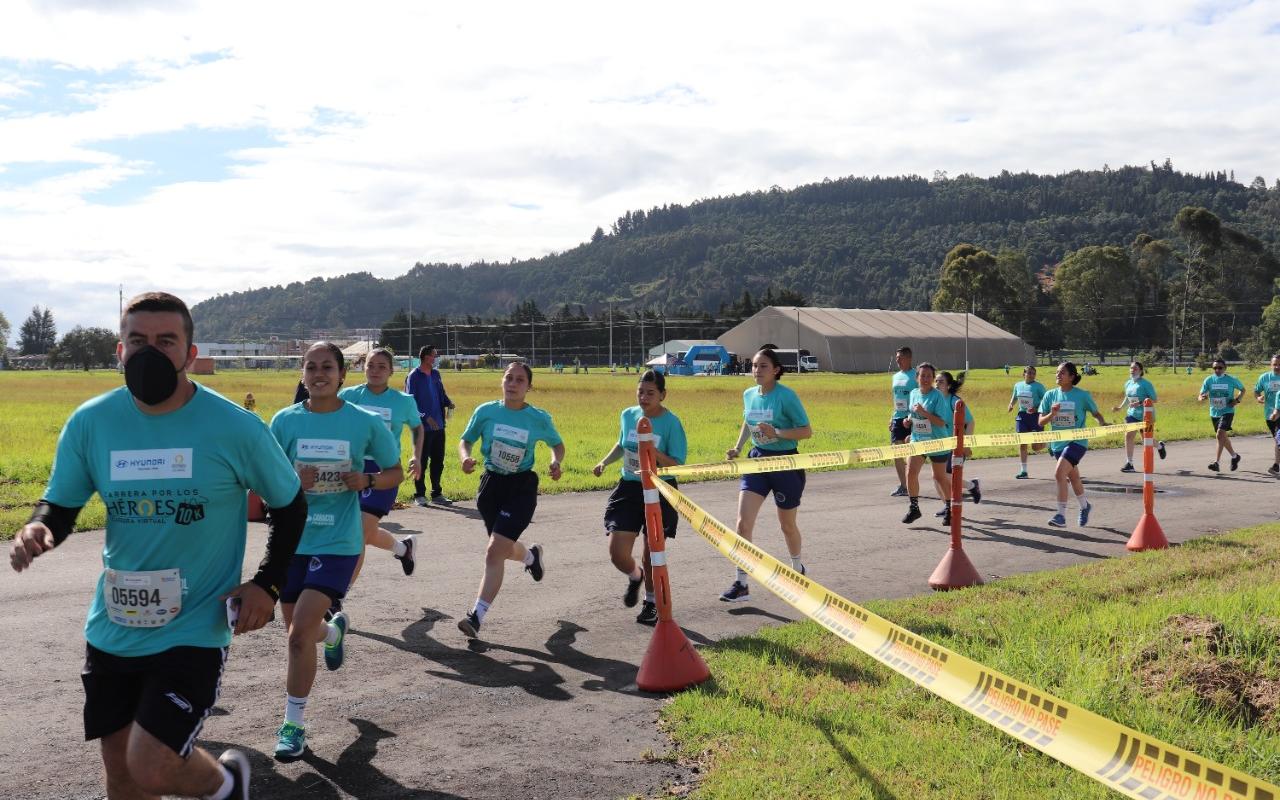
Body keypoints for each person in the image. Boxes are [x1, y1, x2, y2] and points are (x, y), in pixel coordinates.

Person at [8, 291, 307, 800]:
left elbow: (291, 505)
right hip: (114, 625)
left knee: (150, 762)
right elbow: (61, 503)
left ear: (190, 354)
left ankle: (226, 783)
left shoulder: (235, 427)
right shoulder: (92, 421)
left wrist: (268, 583)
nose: (151, 351)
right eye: (138, 340)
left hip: (193, 626)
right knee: (121, 772)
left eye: (166, 341)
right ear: (119, 350)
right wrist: (40, 529)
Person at [268, 342, 402, 761]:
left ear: (342, 375)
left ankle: (293, 724)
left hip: (338, 540)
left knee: (295, 636)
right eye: (311, 367)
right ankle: (334, 632)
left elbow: (394, 470)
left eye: (328, 366)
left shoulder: (361, 422)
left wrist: (367, 482)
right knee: (302, 632)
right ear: (302, 374)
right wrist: (293, 479)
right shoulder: (284, 422)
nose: (319, 373)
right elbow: (265, 479)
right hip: (293, 541)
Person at [456, 362, 565, 637]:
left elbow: (557, 445)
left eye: (519, 380)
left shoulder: (537, 418)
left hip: (521, 487)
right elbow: (465, 440)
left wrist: (555, 462)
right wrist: (465, 458)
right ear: (502, 382)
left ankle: (476, 617)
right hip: (491, 486)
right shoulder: (486, 412)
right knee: (501, 548)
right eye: (509, 378)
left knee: (494, 551)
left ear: (528, 386)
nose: (513, 383)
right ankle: (530, 556)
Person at [591, 370, 687, 626]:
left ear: (663, 395)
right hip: (629, 489)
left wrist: (652, 452)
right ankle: (636, 576)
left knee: (651, 552)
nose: (644, 397)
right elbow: (622, 444)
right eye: (640, 392)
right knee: (617, 552)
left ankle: (651, 602)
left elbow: (677, 464)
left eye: (651, 393)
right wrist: (604, 461)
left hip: (660, 490)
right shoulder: (628, 415)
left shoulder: (671, 423)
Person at [721, 348, 813, 602]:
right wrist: (738, 447)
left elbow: (806, 431)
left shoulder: (786, 396)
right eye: (753, 366)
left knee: (787, 525)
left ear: (776, 370)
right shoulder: (749, 394)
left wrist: (778, 434)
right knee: (743, 522)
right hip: (757, 461)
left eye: (763, 366)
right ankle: (741, 583)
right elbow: (748, 422)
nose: (756, 370)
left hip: (785, 462)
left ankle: (797, 568)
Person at [338, 347, 425, 588]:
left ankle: (337, 596)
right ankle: (402, 548)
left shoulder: (403, 401)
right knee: (364, 532)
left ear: (391, 371)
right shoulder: (349, 396)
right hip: (351, 468)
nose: (375, 371)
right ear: (363, 367)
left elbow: (417, 428)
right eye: (370, 365)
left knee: (358, 534)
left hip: (385, 471)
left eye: (381, 367)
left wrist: (416, 456)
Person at [1038, 362, 1106, 528]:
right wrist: (1052, 414)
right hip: (1057, 445)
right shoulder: (1050, 395)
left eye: (1062, 373)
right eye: (1057, 372)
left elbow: (1095, 413)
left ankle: (1061, 515)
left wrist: (1103, 424)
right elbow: (1040, 421)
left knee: (1059, 473)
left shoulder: (1082, 395)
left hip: (1077, 442)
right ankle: (1085, 506)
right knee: (1073, 477)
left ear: (1072, 377)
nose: (1058, 375)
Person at [901, 363, 952, 526]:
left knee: (939, 477)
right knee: (910, 472)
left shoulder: (937, 396)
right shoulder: (914, 393)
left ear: (932, 378)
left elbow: (941, 421)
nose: (925, 379)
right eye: (922, 376)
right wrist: (908, 420)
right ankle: (914, 507)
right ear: (917, 378)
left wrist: (924, 413)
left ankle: (950, 508)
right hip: (918, 439)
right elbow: (913, 411)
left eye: (929, 376)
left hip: (936, 441)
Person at [405, 345, 457, 506]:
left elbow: (441, 392)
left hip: (439, 426)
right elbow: (409, 401)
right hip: (422, 428)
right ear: (426, 357)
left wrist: (448, 403)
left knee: (438, 461)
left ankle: (437, 493)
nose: (436, 358)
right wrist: (425, 417)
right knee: (421, 461)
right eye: (434, 356)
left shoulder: (435, 374)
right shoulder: (414, 376)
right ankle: (419, 494)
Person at [937, 370, 981, 512]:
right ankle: (949, 506)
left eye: (941, 381)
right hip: (940, 444)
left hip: (956, 445)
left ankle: (971, 487)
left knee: (947, 475)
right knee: (937, 477)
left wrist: (965, 445)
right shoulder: (933, 400)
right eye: (936, 381)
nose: (937, 384)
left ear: (948, 385)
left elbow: (971, 422)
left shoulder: (955, 402)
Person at [1112, 361, 1165, 472]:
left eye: (1135, 368)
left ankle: (1160, 446)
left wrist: (1140, 403)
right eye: (1131, 368)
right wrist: (1120, 407)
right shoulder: (1128, 383)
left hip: (1146, 416)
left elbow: (1154, 399)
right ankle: (1129, 463)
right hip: (1132, 415)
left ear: (1141, 371)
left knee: (1146, 440)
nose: (1132, 370)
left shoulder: (1146, 384)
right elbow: (1127, 398)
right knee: (1128, 436)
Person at [1198, 358, 1246, 472]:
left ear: (1225, 368)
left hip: (1228, 411)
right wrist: (1202, 398)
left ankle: (1216, 462)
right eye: (1215, 368)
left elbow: (1243, 390)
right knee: (1222, 437)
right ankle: (1235, 456)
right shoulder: (1209, 380)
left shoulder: (1231, 379)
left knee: (1220, 434)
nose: (1217, 370)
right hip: (1214, 412)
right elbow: (1200, 395)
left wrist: (1237, 400)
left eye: (1220, 368)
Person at [1006, 365, 1047, 479]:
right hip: (1022, 416)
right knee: (1022, 442)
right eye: (1029, 373)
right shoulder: (1018, 385)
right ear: (1023, 374)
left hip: (1035, 416)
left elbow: (1046, 400)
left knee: (1035, 447)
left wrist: (1036, 408)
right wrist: (1011, 405)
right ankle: (1024, 471)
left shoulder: (1039, 386)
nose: (1031, 375)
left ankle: (1048, 444)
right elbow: (1014, 397)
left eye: (1033, 373)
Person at [888, 346, 917, 497]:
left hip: (912, 418)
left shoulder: (916, 375)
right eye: (897, 357)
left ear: (909, 358)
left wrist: (913, 417)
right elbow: (895, 398)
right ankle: (903, 485)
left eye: (900, 358)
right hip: (898, 417)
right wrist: (891, 417)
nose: (897, 360)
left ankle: (912, 482)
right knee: (896, 451)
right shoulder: (895, 376)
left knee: (911, 453)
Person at [1253, 353, 1280, 474]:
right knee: (1277, 440)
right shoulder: (1264, 378)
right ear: (1271, 365)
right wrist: (1258, 398)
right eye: (1275, 364)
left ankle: (1276, 465)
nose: (1277, 367)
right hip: (1271, 415)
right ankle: (1276, 465)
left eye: (1279, 365)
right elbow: (1256, 391)